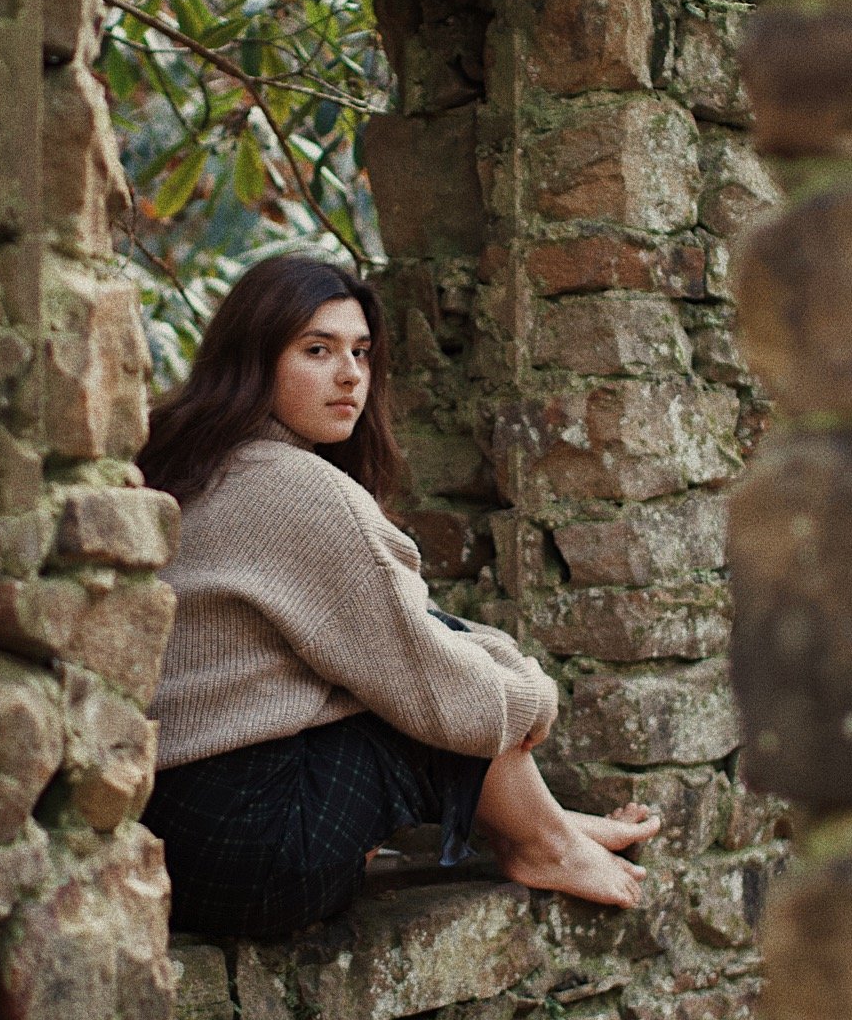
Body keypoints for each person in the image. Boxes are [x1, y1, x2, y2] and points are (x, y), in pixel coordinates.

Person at [141, 253, 659, 939]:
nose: (350, 374)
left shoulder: (191, 461)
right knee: (429, 697)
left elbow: (409, 633)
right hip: (254, 862)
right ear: (254, 357)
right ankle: (542, 842)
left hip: (169, 836)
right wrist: (535, 696)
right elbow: (441, 685)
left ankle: (542, 821)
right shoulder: (298, 489)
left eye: (360, 351)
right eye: (316, 350)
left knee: (412, 667)